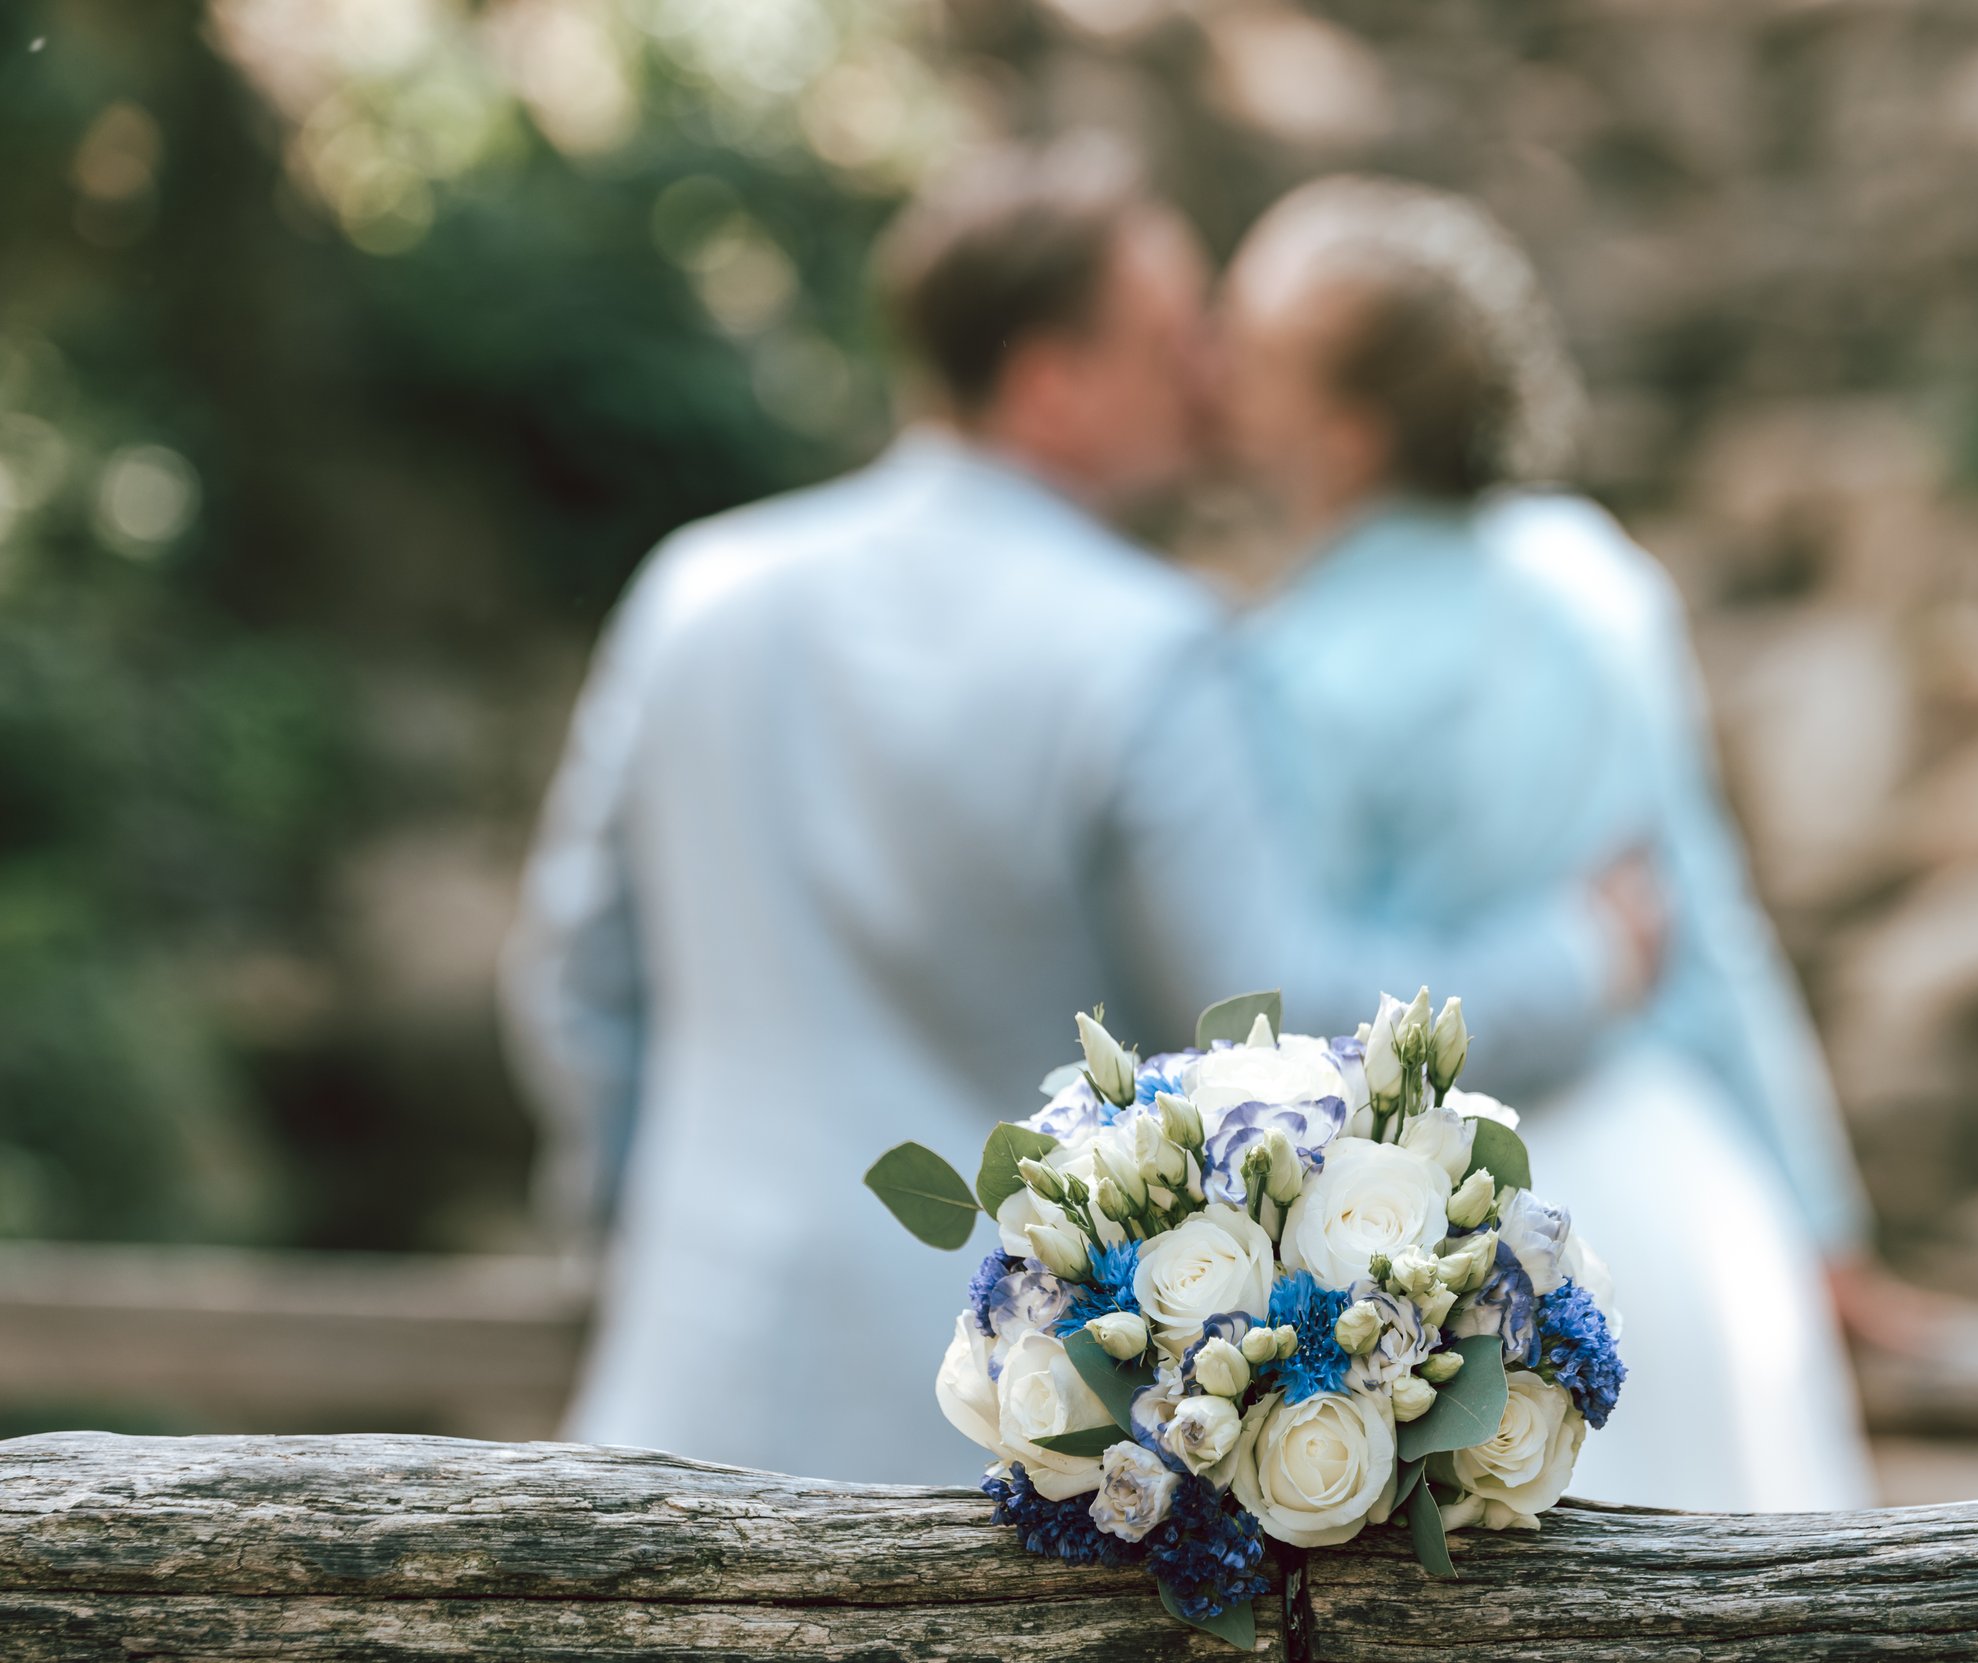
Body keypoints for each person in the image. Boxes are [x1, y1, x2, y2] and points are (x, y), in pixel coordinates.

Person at [499, 142, 1664, 1485]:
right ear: (1051, 384)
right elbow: (1282, 1027)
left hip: (678, 1380)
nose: (1211, 379)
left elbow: (574, 981)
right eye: (1173, 342)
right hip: (999, 1422)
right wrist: (1580, 958)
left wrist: (631, 1240)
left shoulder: (696, 592)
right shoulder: (1153, 652)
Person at [1218, 176, 1882, 1510]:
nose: (1215, 376)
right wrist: (1818, 1216)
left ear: (1343, 434)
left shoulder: (1281, 672)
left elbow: (1315, 1009)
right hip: (1685, 1201)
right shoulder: (1596, 574)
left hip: (1453, 1258)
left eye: (1253, 354)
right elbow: (1709, 919)